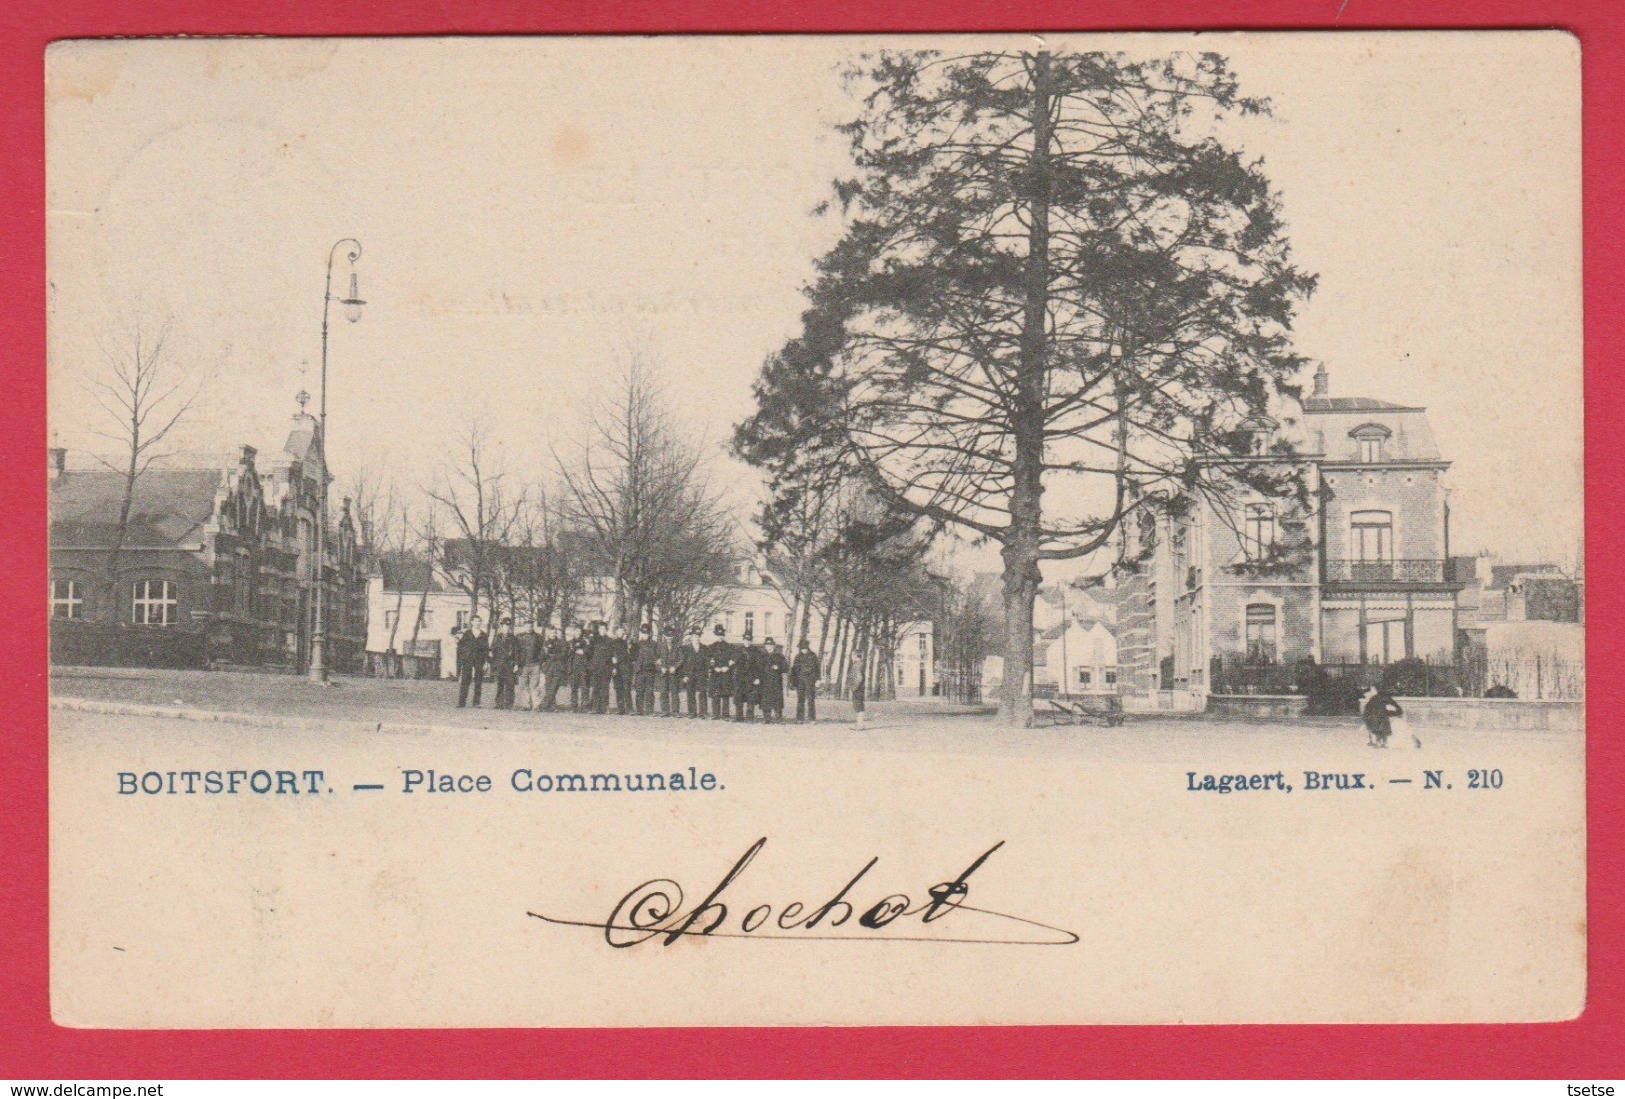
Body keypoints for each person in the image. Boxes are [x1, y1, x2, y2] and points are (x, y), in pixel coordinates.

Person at [455, 616, 489, 708]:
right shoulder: (466, 633)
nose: (477, 623)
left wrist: (486, 662)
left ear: (480, 623)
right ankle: (462, 702)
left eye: (479, 621)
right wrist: (463, 658)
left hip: (479, 660)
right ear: (472, 622)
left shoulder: (484, 635)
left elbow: (486, 649)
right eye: (475, 621)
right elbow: (460, 646)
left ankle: (476, 702)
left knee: (478, 681)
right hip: (468, 660)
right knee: (465, 680)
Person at [706, 625, 735, 720]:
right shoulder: (711, 647)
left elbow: (733, 659)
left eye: (722, 634)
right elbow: (709, 659)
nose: (720, 636)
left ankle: (725, 714)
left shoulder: (730, 647)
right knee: (715, 693)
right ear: (715, 635)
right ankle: (716, 714)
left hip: (725, 673)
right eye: (718, 634)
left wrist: (728, 667)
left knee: (725, 694)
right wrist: (714, 667)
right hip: (715, 674)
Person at [677, 627, 707, 718]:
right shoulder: (685, 649)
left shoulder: (704, 648)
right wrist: (685, 675)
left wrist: (706, 674)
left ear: (699, 637)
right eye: (694, 636)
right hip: (690, 674)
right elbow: (684, 663)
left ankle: (703, 713)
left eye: (697, 636)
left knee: (702, 692)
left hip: (701, 674)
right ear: (691, 637)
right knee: (690, 692)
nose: (696, 638)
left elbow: (706, 663)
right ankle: (692, 712)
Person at [491, 618, 519, 710]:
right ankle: (499, 703)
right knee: (499, 685)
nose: (507, 628)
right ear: (502, 626)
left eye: (508, 626)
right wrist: (492, 662)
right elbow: (492, 650)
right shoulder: (497, 637)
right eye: (505, 626)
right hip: (499, 664)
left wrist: (516, 664)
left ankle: (509, 704)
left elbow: (516, 652)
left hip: (509, 665)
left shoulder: (513, 638)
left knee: (510, 685)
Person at [588, 622, 616, 714]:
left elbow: (613, 656)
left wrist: (614, 667)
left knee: (605, 688)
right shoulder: (594, 640)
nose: (602, 631)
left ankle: (604, 708)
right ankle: (594, 708)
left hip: (606, 668)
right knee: (595, 687)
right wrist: (591, 665)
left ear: (606, 630)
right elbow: (589, 653)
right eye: (601, 629)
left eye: (604, 629)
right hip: (596, 668)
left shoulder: (610, 641)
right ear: (598, 630)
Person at [631, 623, 659, 715]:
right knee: (639, 691)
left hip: (650, 670)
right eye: (643, 633)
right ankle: (639, 710)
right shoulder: (637, 644)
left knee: (650, 691)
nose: (645, 635)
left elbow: (657, 656)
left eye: (646, 633)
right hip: (640, 671)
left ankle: (649, 710)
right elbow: (633, 657)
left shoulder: (654, 644)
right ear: (641, 633)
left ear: (650, 634)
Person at [758, 638, 788, 723]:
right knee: (765, 700)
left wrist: (778, 667)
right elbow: (758, 668)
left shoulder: (779, 656)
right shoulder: (762, 656)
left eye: (770, 645)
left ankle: (778, 717)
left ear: (773, 646)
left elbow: (785, 667)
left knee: (777, 699)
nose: (769, 647)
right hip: (765, 681)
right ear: (765, 646)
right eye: (767, 646)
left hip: (776, 681)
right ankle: (766, 718)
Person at [791, 639, 821, 723]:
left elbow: (817, 669)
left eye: (805, 647)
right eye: (801, 648)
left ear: (807, 647)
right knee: (800, 700)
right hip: (800, 681)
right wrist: (793, 682)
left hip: (810, 681)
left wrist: (818, 680)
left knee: (810, 699)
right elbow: (794, 670)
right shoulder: (797, 657)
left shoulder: (813, 656)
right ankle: (799, 718)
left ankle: (812, 719)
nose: (803, 649)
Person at [734, 633, 759, 722]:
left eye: (749, 640)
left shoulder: (756, 651)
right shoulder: (737, 650)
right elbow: (734, 663)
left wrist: (757, 677)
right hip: (740, 677)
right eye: (745, 640)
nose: (747, 642)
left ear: (751, 641)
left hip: (751, 677)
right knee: (738, 698)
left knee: (750, 698)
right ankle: (738, 717)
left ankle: (750, 717)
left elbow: (758, 666)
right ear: (743, 640)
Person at [541, 634, 570, 711]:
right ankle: (551, 706)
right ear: (548, 632)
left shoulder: (561, 642)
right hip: (548, 667)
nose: (553, 633)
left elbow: (564, 654)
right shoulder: (546, 643)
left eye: (554, 632)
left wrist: (551, 655)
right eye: (551, 631)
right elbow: (542, 655)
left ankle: (544, 705)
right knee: (548, 686)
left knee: (554, 687)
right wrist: (545, 654)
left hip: (558, 667)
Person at [518, 626, 544, 710]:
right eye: (527, 626)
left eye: (530, 626)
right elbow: (517, 650)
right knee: (524, 685)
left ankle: (536, 705)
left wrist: (540, 661)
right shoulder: (519, 637)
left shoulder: (538, 637)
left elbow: (542, 650)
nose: (529, 628)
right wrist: (518, 663)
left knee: (535, 685)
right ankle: (526, 705)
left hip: (535, 664)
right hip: (523, 664)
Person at [568, 624, 592, 712]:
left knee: (584, 687)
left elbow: (588, 652)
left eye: (579, 631)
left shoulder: (585, 641)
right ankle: (573, 707)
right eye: (576, 631)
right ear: (574, 632)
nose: (578, 632)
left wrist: (584, 650)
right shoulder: (571, 642)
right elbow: (570, 654)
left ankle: (585, 707)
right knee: (573, 687)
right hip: (574, 667)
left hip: (583, 667)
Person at [849, 654, 867, 729]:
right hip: (859, 687)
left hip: (858, 688)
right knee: (858, 705)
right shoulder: (860, 664)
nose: (851, 657)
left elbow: (859, 677)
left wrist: (855, 687)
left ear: (855, 656)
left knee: (858, 705)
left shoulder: (857, 665)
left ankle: (860, 725)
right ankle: (859, 724)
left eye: (852, 655)